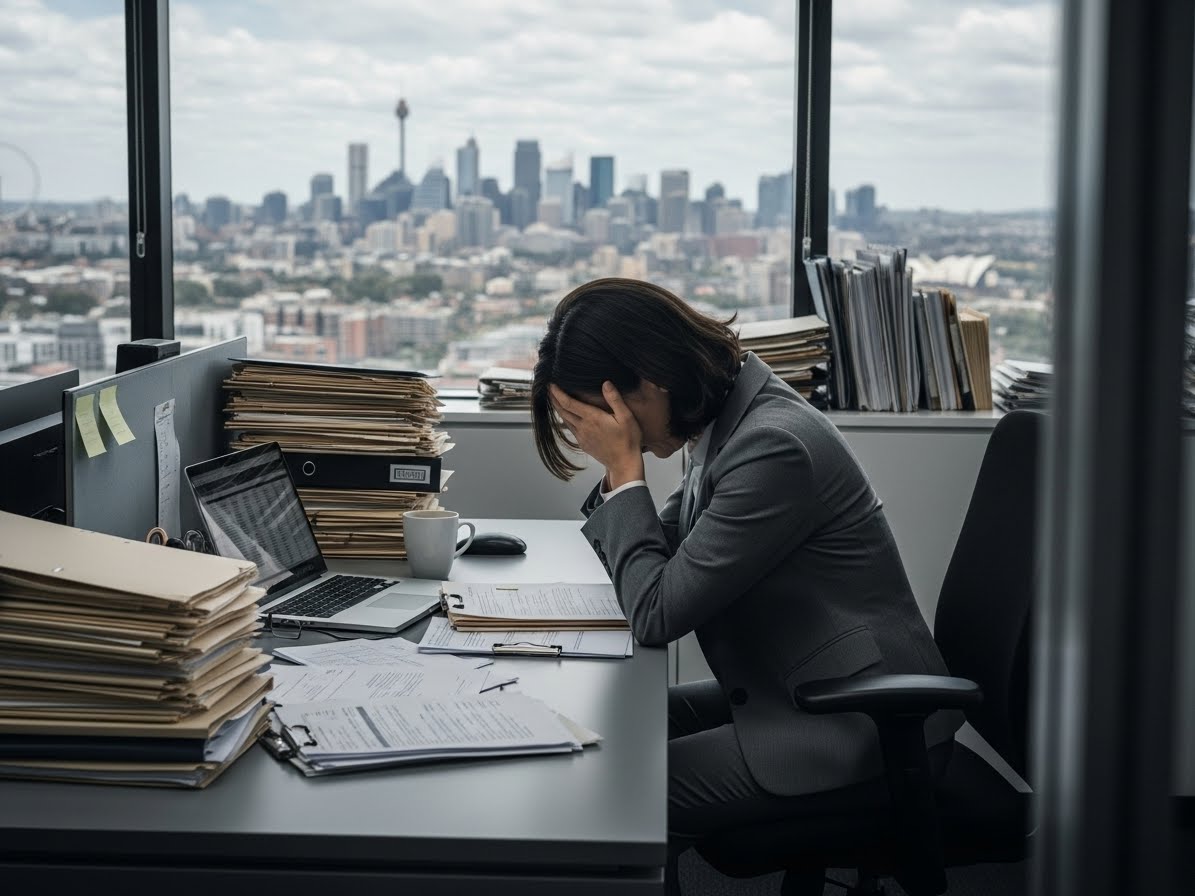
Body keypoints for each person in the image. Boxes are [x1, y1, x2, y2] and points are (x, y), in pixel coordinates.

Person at [531, 277, 961, 893]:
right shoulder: (729, 419)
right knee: (613, 732)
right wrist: (624, 485)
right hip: (791, 686)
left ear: (649, 384)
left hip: (863, 722)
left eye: (603, 415)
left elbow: (656, 610)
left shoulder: (772, 446)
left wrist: (624, 469)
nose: (605, 432)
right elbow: (666, 552)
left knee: (622, 794)